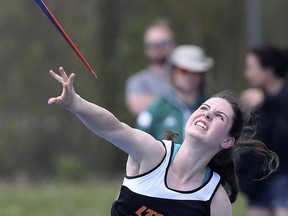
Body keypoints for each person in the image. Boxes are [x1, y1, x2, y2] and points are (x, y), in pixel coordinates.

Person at [48, 67, 279, 216]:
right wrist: (75, 103)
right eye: (204, 108)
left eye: (219, 116)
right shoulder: (153, 155)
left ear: (228, 141)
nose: (207, 114)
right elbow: (112, 126)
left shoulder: (214, 199)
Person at [239, 45, 288, 216]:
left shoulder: (277, 99)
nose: (247, 73)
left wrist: (268, 99)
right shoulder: (256, 101)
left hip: (283, 176)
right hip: (260, 179)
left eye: (251, 67)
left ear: (268, 70)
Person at [137, 45, 213, 142]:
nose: (190, 76)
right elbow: (138, 144)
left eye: (196, 72)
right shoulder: (157, 109)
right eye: (184, 70)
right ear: (173, 71)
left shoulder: (213, 107)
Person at [125, 19, 175, 116]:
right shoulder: (137, 81)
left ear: (172, 45)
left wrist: (151, 101)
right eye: (152, 45)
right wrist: (178, 102)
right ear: (146, 49)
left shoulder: (186, 76)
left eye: (163, 43)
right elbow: (137, 107)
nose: (158, 48)